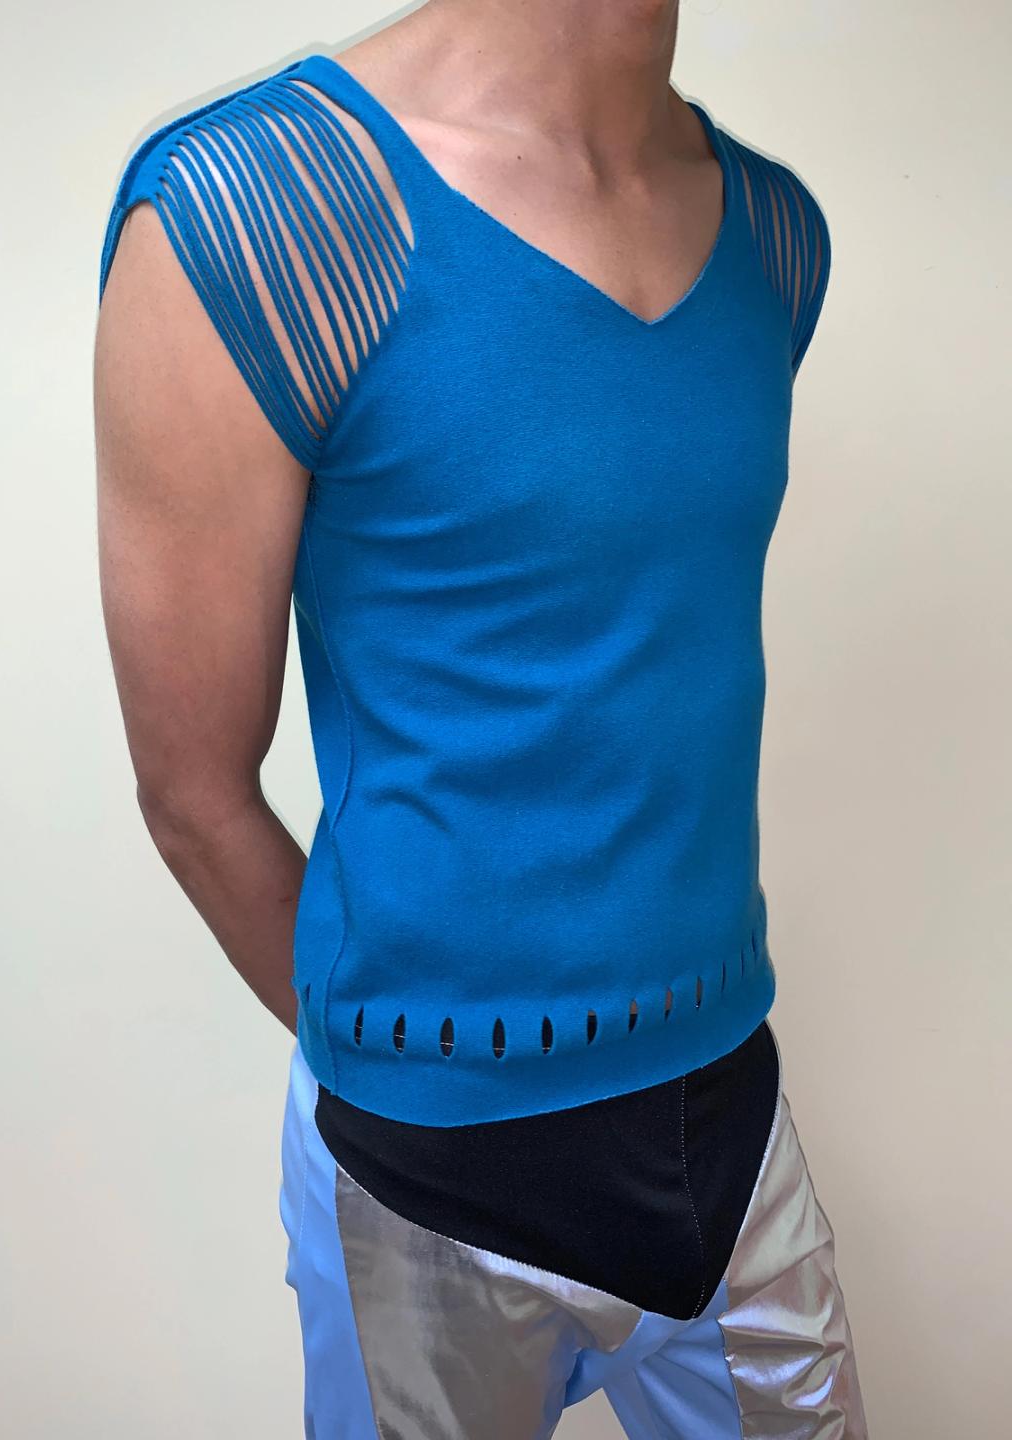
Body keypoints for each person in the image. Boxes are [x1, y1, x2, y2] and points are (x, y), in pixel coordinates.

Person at [93, 2, 869, 1435]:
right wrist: (421, 1073)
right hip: (424, 1182)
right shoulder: (255, 218)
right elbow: (192, 791)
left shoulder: (775, 237)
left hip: (728, 1121)